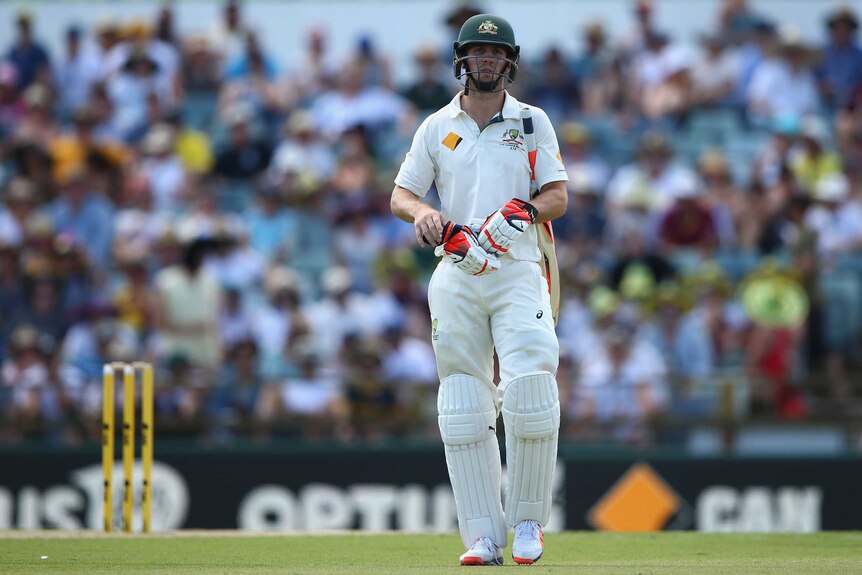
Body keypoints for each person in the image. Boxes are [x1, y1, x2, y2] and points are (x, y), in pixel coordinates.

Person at [390, 14, 567, 566]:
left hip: (516, 268)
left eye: (495, 53)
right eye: (477, 53)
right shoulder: (436, 125)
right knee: (464, 403)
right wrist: (423, 214)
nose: (486, 61)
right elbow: (401, 195)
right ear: (461, 61)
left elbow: (558, 195)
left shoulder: (532, 122)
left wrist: (525, 212)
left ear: (509, 62)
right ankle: (483, 537)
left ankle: (530, 524)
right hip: (457, 268)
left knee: (531, 391)